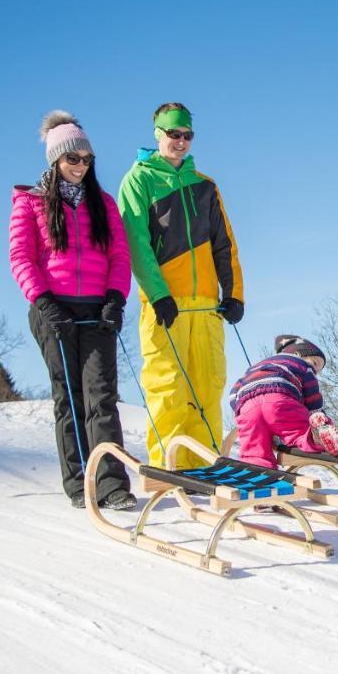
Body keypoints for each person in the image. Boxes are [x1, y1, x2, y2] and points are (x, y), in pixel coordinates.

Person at [9, 111, 135, 510]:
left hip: (97, 309)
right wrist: (43, 301)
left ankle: (112, 485)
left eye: (86, 159)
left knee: (101, 396)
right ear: (55, 160)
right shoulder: (30, 204)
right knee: (70, 396)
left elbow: (119, 254)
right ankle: (80, 482)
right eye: (72, 159)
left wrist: (116, 298)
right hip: (54, 310)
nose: (80, 166)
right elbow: (21, 256)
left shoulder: (105, 204)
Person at [118, 103, 244, 468]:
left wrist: (233, 294)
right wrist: (158, 295)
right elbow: (137, 244)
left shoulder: (205, 185)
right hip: (166, 308)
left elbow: (226, 244)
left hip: (205, 305)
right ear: (158, 133)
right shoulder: (139, 180)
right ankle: (167, 469)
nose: (181, 142)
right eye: (174, 134)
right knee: (169, 389)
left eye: (188, 135)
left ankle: (203, 467)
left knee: (208, 387)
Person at [229, 335, 338, 468]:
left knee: (254, 450)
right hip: (279, 399)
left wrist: (239, 411)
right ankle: (317, 436)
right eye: (316, 363)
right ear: (297, 354)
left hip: (246, 406)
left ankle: (258, 473)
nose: (315, 371)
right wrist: (318, 415)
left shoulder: (256, 367)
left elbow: (233, 394)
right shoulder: (303, 366)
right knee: (299, 432)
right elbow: (313, 397)